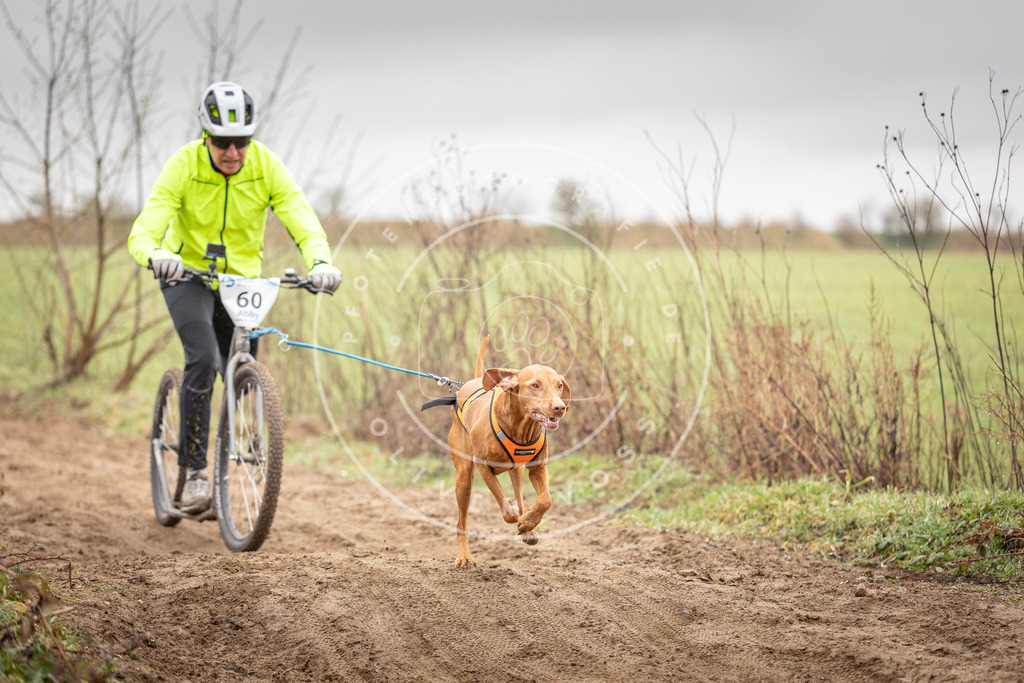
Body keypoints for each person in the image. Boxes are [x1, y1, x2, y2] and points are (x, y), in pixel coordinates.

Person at [128, 81, 341, 513]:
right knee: (204, 359)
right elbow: (145, 229)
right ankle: (195, 474)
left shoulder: (266, 166)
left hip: (241, 282)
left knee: (241, 377)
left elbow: (300, 215)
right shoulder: (183, 165)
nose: (233, 152)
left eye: (242, 142)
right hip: (184, 274)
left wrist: (320, 262)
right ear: (206, 137)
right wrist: (157, 254)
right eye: (223, 142)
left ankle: (239, 449)